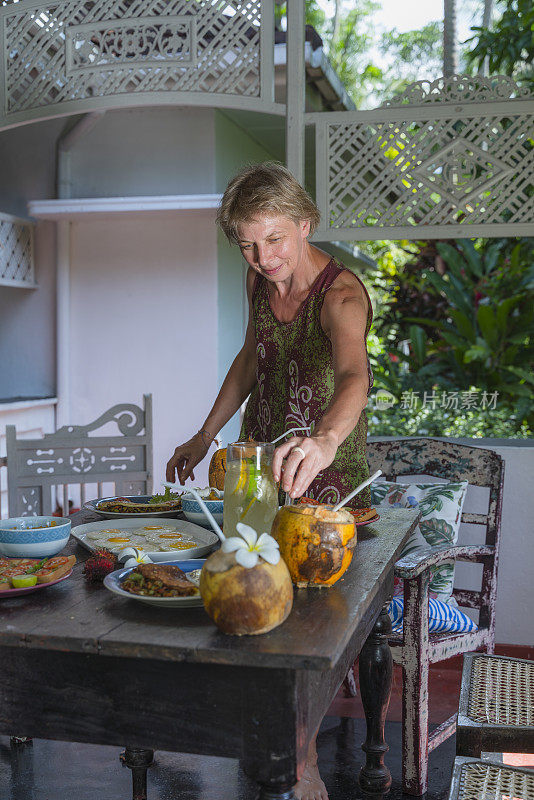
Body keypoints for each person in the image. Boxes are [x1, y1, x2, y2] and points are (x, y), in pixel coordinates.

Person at [166, 161, 374, 800]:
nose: (263, 257)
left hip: (324, 478)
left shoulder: (342, 295)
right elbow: (249, 360)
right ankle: (265, 748)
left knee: (308, 629)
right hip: (257, 473)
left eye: (275, 239)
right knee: (244, 602)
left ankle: (300, 764)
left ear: (304, 224)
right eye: (248, 245)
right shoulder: (260, 282)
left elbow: (353, 379)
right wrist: (206, 434)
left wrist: (324, 440)